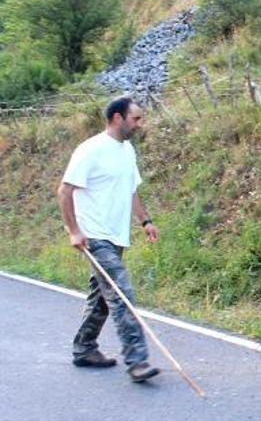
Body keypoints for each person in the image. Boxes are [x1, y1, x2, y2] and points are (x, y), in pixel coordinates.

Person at [57, 96, 161, 383]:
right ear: (117, 117)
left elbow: (131, 190)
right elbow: (64, 191)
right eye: (136, 118)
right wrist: (74, 231)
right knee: (121, 294)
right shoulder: (90, 150)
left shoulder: (127, 150)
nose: (140, 124)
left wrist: (146, 221)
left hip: (117, 237)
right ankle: (137, 362)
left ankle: (84, 348)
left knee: (103, 298)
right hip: (94, 237)